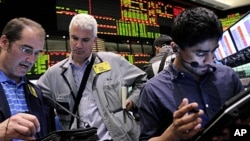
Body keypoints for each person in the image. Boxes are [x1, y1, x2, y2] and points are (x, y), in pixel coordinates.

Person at [138, 7, 244, 141]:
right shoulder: (152, 90)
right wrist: (170, 136)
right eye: (201, 53)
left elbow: (245, 130)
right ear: (175, 48)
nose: (210, 60)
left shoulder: (228, 76)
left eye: (213, 51)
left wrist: (234, 134)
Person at [37, 13, 147, 141]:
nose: (78, 45)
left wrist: (133, 99)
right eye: (74, 38)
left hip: (118, 137)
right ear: (69, 37)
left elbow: (143, 81)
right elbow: (33, 97)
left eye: (85, 40)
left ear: (94, 40)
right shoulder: (54, 74)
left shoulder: (113, 62)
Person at [0, 18, 55, 140]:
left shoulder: (36, 93)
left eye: (36, 53)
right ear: (4, 42)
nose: (31, 60)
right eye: (26, 50)